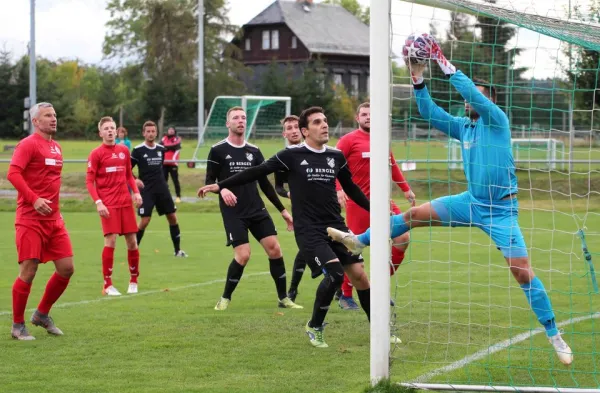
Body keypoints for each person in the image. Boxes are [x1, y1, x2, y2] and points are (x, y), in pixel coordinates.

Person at [327, 34, 573, 365]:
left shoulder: (496, 121)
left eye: (478, 98)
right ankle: (360, 241)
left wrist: (442, 61)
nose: (469, 102)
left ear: (490, 101)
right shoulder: (465, 127)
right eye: (472, 100)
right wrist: (418, 77)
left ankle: (554, 333)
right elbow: (430, 112)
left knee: (521, 272)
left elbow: (471, 93)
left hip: (501, 212)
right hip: (470, 202)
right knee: (414, 215)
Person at [198, 106, 401, 348]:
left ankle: (380, 330)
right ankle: (314, 326)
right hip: (309, 230)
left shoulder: (336, 156)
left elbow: (351, 188)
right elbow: (255, 172)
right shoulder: (290, 155)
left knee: (360, 277)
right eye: (317, 122)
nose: (324, 125)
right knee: (336, 274)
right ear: (305, 131)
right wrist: (220, 186)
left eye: (325, 120)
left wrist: (374, 210)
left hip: (336, 226)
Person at [203, 106, 301, 311]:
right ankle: (225, 298)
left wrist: (283, 211)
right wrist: (222, 191)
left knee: (275, 249)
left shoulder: (254, 151)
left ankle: (283, 298)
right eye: (236, 118)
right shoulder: (218, 150)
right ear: (227, 123)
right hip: (233, 212)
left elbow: (265, 184)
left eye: (243, 118)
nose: (241, 121)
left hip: (256, 209)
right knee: (243, 255)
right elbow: (210, 181)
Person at [334, 102, 416, 310]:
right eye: (364, 114)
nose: (368, 117)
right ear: (357, 118)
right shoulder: (348, 140)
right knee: (352, 249)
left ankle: (378, 288)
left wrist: (405, 188)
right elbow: (332, 163)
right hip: (358, 204)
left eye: (372, 114)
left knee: (403, 238)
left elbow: (393, 164)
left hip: (384, 202)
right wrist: (338, 189)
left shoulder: (382, 140)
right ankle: (345, 294)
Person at [7, 102, 75, 340]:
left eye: (55, 114)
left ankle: (41, 314)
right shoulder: (27, 145)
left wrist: (57, 210)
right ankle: (17, 326)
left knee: (66, 268)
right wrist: (34, 200)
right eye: (48, 115)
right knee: (29, 270)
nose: (53, 119)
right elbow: (13, 174)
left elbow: (52, 182)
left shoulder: (56, 148)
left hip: (54, 219)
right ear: (36, 121)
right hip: (30, 219)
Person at [86, 116, 143, 296]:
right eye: (107, 129)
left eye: (113, 128)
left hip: (125, 202)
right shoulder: (96, 154)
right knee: (110, 241)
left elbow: (128, 175)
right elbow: (89, 182)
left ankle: (133, 280)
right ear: (100, 132)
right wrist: (98, 202)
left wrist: (136, 192)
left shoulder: (124, 150)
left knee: (132, 242)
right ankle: (108, 284)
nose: (110, 131)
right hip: (108, 204)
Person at [132, 121, 188, 258]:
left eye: (153, 131)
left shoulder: (160, 149)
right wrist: (135, 180)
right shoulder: (138, 150)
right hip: (146, 190)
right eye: (148, 131)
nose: (151, 134)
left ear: (156, 133)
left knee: (172, 217)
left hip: (162, 189)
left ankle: (177, 250)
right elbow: (126, 170)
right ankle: (133, 251)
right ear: (143, 133)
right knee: (145, 221)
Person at [274, 115, 306, 302]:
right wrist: (287, 194)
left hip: (324, 208)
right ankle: (292, 290)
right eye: (289, 128)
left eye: (296, 126)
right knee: (305, 249)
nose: (294, 130)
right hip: (301, 211)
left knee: (334, 246)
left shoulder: (314, 150)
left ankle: (338, 287)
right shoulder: (283, 158)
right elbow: (278, 187)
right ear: (284, 133)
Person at [162, 126, 182, 203]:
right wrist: (169, 147)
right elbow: (161, 146)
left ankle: (178, 196)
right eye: (169, 130)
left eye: (172, 130)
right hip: (164, 163)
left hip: (173, 163)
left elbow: (176, 146)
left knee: (175, 180)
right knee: (164, 181)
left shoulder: (177, 138)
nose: (170, 131)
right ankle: (165, 196)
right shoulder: (164, 138)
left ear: (174, 131)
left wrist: (167, 147)